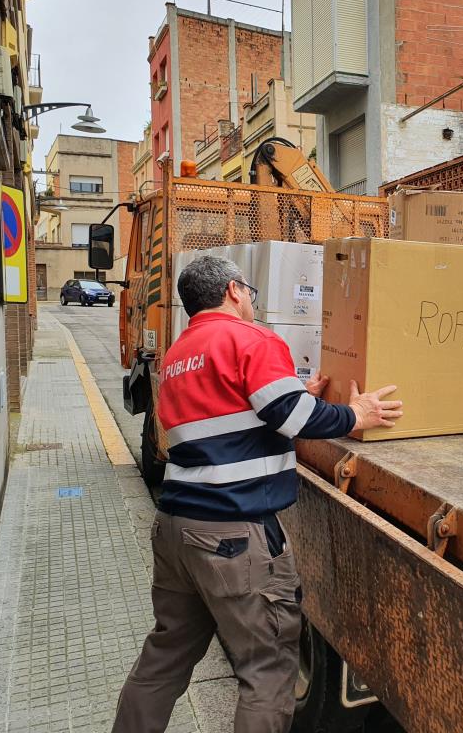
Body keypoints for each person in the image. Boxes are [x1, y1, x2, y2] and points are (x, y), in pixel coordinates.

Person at [112, 255, 402, 733]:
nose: (250, 300)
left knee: (164, 658)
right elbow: (294, 420)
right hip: (233, 537)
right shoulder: (251, 338)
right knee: (267, 673)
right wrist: (356, 415)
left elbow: (234, 416)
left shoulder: (178, 354)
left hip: (176, 529)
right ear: (233, 290)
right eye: (249, 291)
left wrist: (291, 395)